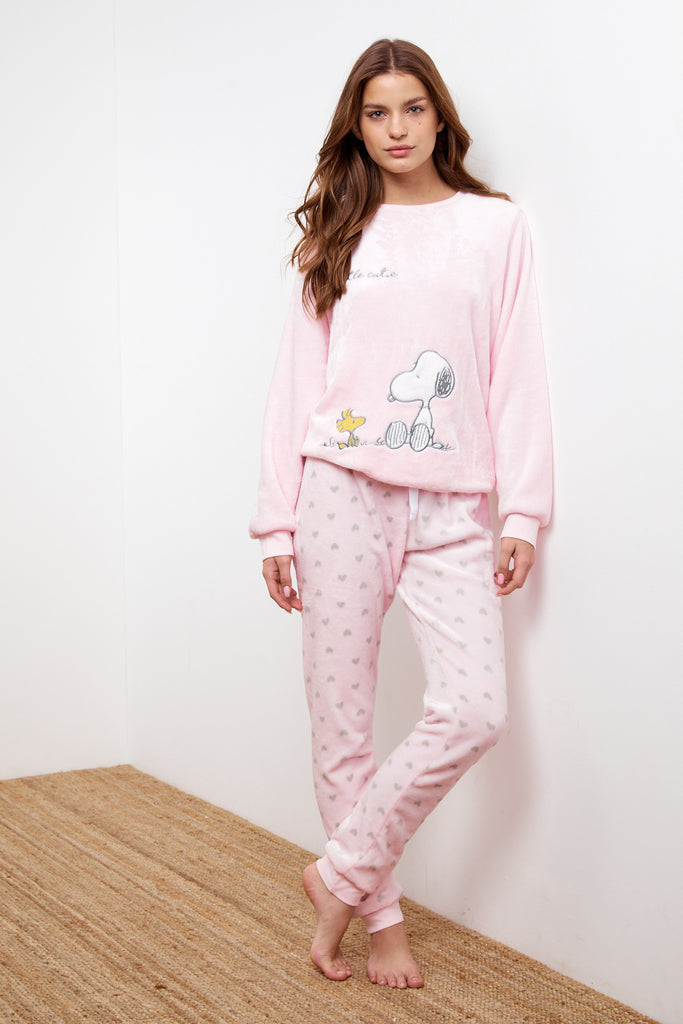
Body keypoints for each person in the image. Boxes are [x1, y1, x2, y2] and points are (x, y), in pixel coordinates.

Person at [249, 38, 552, 990]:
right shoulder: (336, 234)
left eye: (411, 109)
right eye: (375, 113)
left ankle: (336, 873)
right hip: (338, 490)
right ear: (356, 124)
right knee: (341, 723)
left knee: (474, 709)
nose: (394, 129)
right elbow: (295, 384)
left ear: (438, 116)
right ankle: (379, 923)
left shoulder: (494, 227)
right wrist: (276, 522)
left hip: (453, 503)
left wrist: (522, 513)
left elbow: (514, 371)